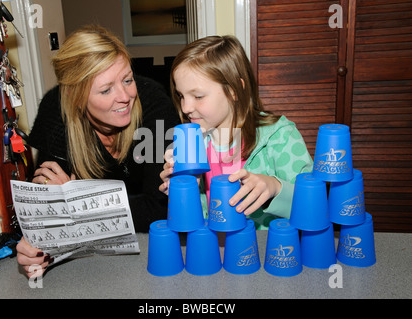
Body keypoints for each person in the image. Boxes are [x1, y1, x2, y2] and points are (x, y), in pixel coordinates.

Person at [16, 25, 180, 278]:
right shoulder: (55, 112)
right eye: (106, 90)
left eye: (127, 80)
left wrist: (77, 200)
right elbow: (48, 210)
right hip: (92, 266)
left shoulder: (155, 106)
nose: (126, 96)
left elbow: (160, 209)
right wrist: (38, 245)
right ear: (75, 96)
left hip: (155, 253)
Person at [159, 35, 313, 230]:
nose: (185, 107)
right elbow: (194, 223)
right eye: (181, 95)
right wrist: (183, 192)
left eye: (198, 96)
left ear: (233, 90)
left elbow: (313, 206)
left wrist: (276, 188)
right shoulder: (194, 143)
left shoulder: (279, 136)